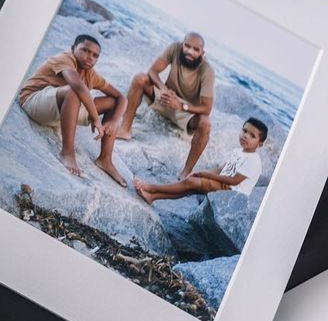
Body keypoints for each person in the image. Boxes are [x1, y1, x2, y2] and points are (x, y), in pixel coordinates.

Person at [18, 34, 129, 185]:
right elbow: (77, 86)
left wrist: (115, 121)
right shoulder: (65, 58)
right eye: (85, 50)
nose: (90, 57)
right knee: (74, 91)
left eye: (95, 55)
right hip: (35, 102)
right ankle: (67, 153)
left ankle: (105, 159)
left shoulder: (91, 74)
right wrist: (95, 118)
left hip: (64, 110)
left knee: (112, 102)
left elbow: (122, 97)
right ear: (72, 49)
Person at [116, 32, 216, 179]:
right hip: (164, 98)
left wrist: (181, 106)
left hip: (185, 114)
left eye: (196, 49)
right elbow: (153, 71)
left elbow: (207, 108)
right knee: (140, 79)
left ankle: (186, 171)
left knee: (206, 124)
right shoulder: (174, 49)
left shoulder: (207, 70)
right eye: (187, 46)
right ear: (182, 44)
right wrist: (163, 88)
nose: (190, 51)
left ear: (202, 53)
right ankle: (125, 130)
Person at [134, 117, 267, 205]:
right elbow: (221, 169)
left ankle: (151, 188)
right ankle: (153, 197)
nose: (245, 136)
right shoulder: (238, 152)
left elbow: (234, 181)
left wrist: (206, 175)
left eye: (252, 136)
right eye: (244, 131)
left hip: (232, 193)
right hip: (223, 184)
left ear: (260, 144)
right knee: (190, 186)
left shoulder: (253, 161)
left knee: (190, 182)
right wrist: (200, 173)